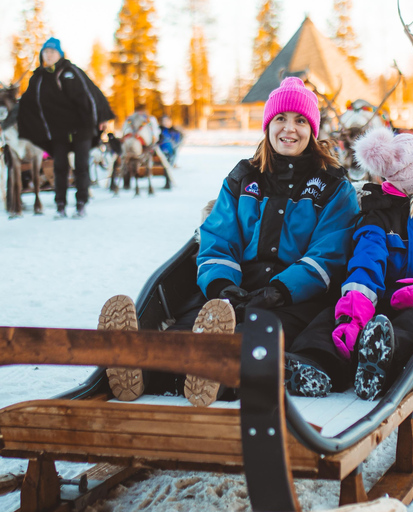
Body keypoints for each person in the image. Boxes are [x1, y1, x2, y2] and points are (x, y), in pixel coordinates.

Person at [99, 76, 360, 406]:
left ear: (313, 129)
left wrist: (279, 290)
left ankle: (202, 374)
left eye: (300, 121)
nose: (289, 129)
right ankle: (140, 367)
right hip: (236, 289)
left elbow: (329, 253)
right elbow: (217, 237)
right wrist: (222, 286)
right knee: (189, 327)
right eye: (280, 118)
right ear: (268, 125)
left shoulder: (332, 186)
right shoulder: (244, 178)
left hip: (293, 299)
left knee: (247, 337)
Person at [282, 127, 413, 401]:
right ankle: (313, 363)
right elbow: (366, 265)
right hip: (379, 302)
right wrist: (353, 315)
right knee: (331, 319)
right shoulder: (377, 219)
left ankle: (379, 365)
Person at [18, 37, 114, 218]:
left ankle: (81, 203)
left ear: (59, 54)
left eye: (52, 52)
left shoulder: (71, 72)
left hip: (82, 128)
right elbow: (27, 103)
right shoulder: (38, 78)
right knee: (60, 167)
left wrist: (102, 116)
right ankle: (60, 205)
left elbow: (92, 94)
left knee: (81, 166)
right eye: (46, 52)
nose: (49, 55)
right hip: (58, 131)